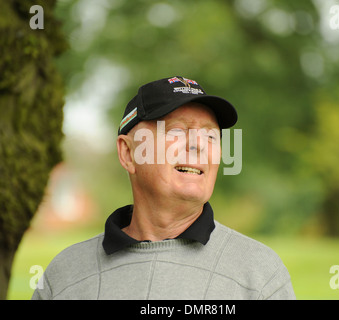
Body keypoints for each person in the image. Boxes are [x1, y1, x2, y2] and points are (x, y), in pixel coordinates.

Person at [32, 76, 295, 300]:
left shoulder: (260, 275)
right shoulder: (64, 275)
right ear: (128, 153)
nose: (198, 145)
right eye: (177, 132)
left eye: (210, 135)